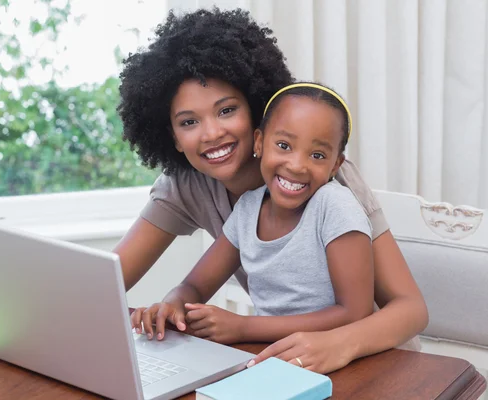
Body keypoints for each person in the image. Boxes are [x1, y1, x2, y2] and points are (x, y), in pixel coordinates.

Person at [115, 8, 428, 373]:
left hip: (378, 361)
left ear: (256, 110)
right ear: (172, 136)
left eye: (227, 110)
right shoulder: (196, 187)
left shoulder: (326, 184)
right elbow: (109, 280)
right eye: (189, 121)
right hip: (284, 361)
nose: (212, 133)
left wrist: (341, 343)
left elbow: (410, 309)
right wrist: (173, 304)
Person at [131, 82, 376, 356]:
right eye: (284, 145)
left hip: (341, 361)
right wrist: (173, 305)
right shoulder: (248, 209)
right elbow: (195, 286)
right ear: (259, 143)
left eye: (317, 155)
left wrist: (244, 327)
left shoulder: (334, 206)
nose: (296, 165)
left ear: (335, 165)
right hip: (275, 357)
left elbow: (355, 312)